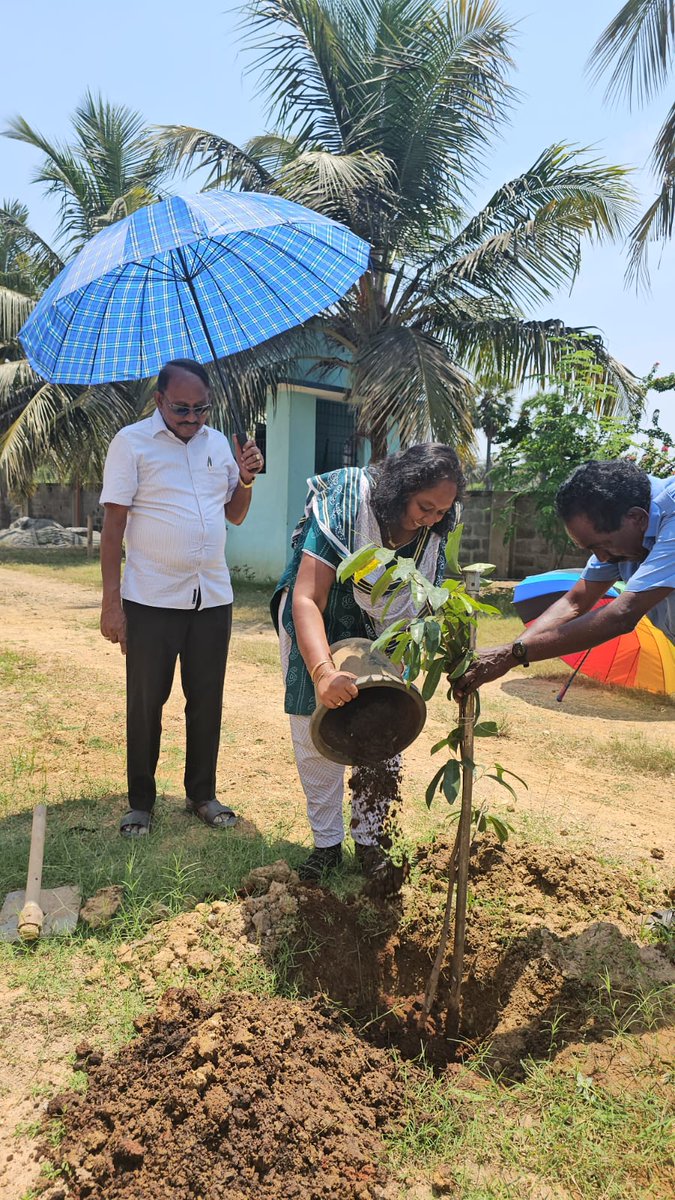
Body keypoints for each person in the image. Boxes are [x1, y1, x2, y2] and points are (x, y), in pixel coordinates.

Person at [272, 443, 465, 882]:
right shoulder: (347, 503)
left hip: (384, 625)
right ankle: (326, 845)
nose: (432, 518)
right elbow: (308, 597)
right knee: (314, 720)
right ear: (400, 489)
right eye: (425, 507)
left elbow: (419, 604)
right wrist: (323, 672)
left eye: (441, 511)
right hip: (322, 614)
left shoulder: (436, 527)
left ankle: (370, 840)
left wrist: (408, 658)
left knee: (382, 721)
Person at [99, 358, 264, 837]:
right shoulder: (131, 443)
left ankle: (202, 795)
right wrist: (111, 603)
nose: (192, 418)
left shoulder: (219, 445)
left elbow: (235, 514)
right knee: (146, 703)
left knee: (207, 700)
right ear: (159, 400)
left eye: (201, 409)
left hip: (211, 597)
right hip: (150, 599)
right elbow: (113, 526)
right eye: (181, 409)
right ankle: (140, 803)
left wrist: (246, 478)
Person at [455, 459, 675, 696]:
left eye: (603, 545)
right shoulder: (623, 525)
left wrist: (512, 655)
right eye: (592, 549)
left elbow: (622, 614)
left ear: (638, 518)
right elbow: (575, 602)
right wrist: (512, 652)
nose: (602, 558)